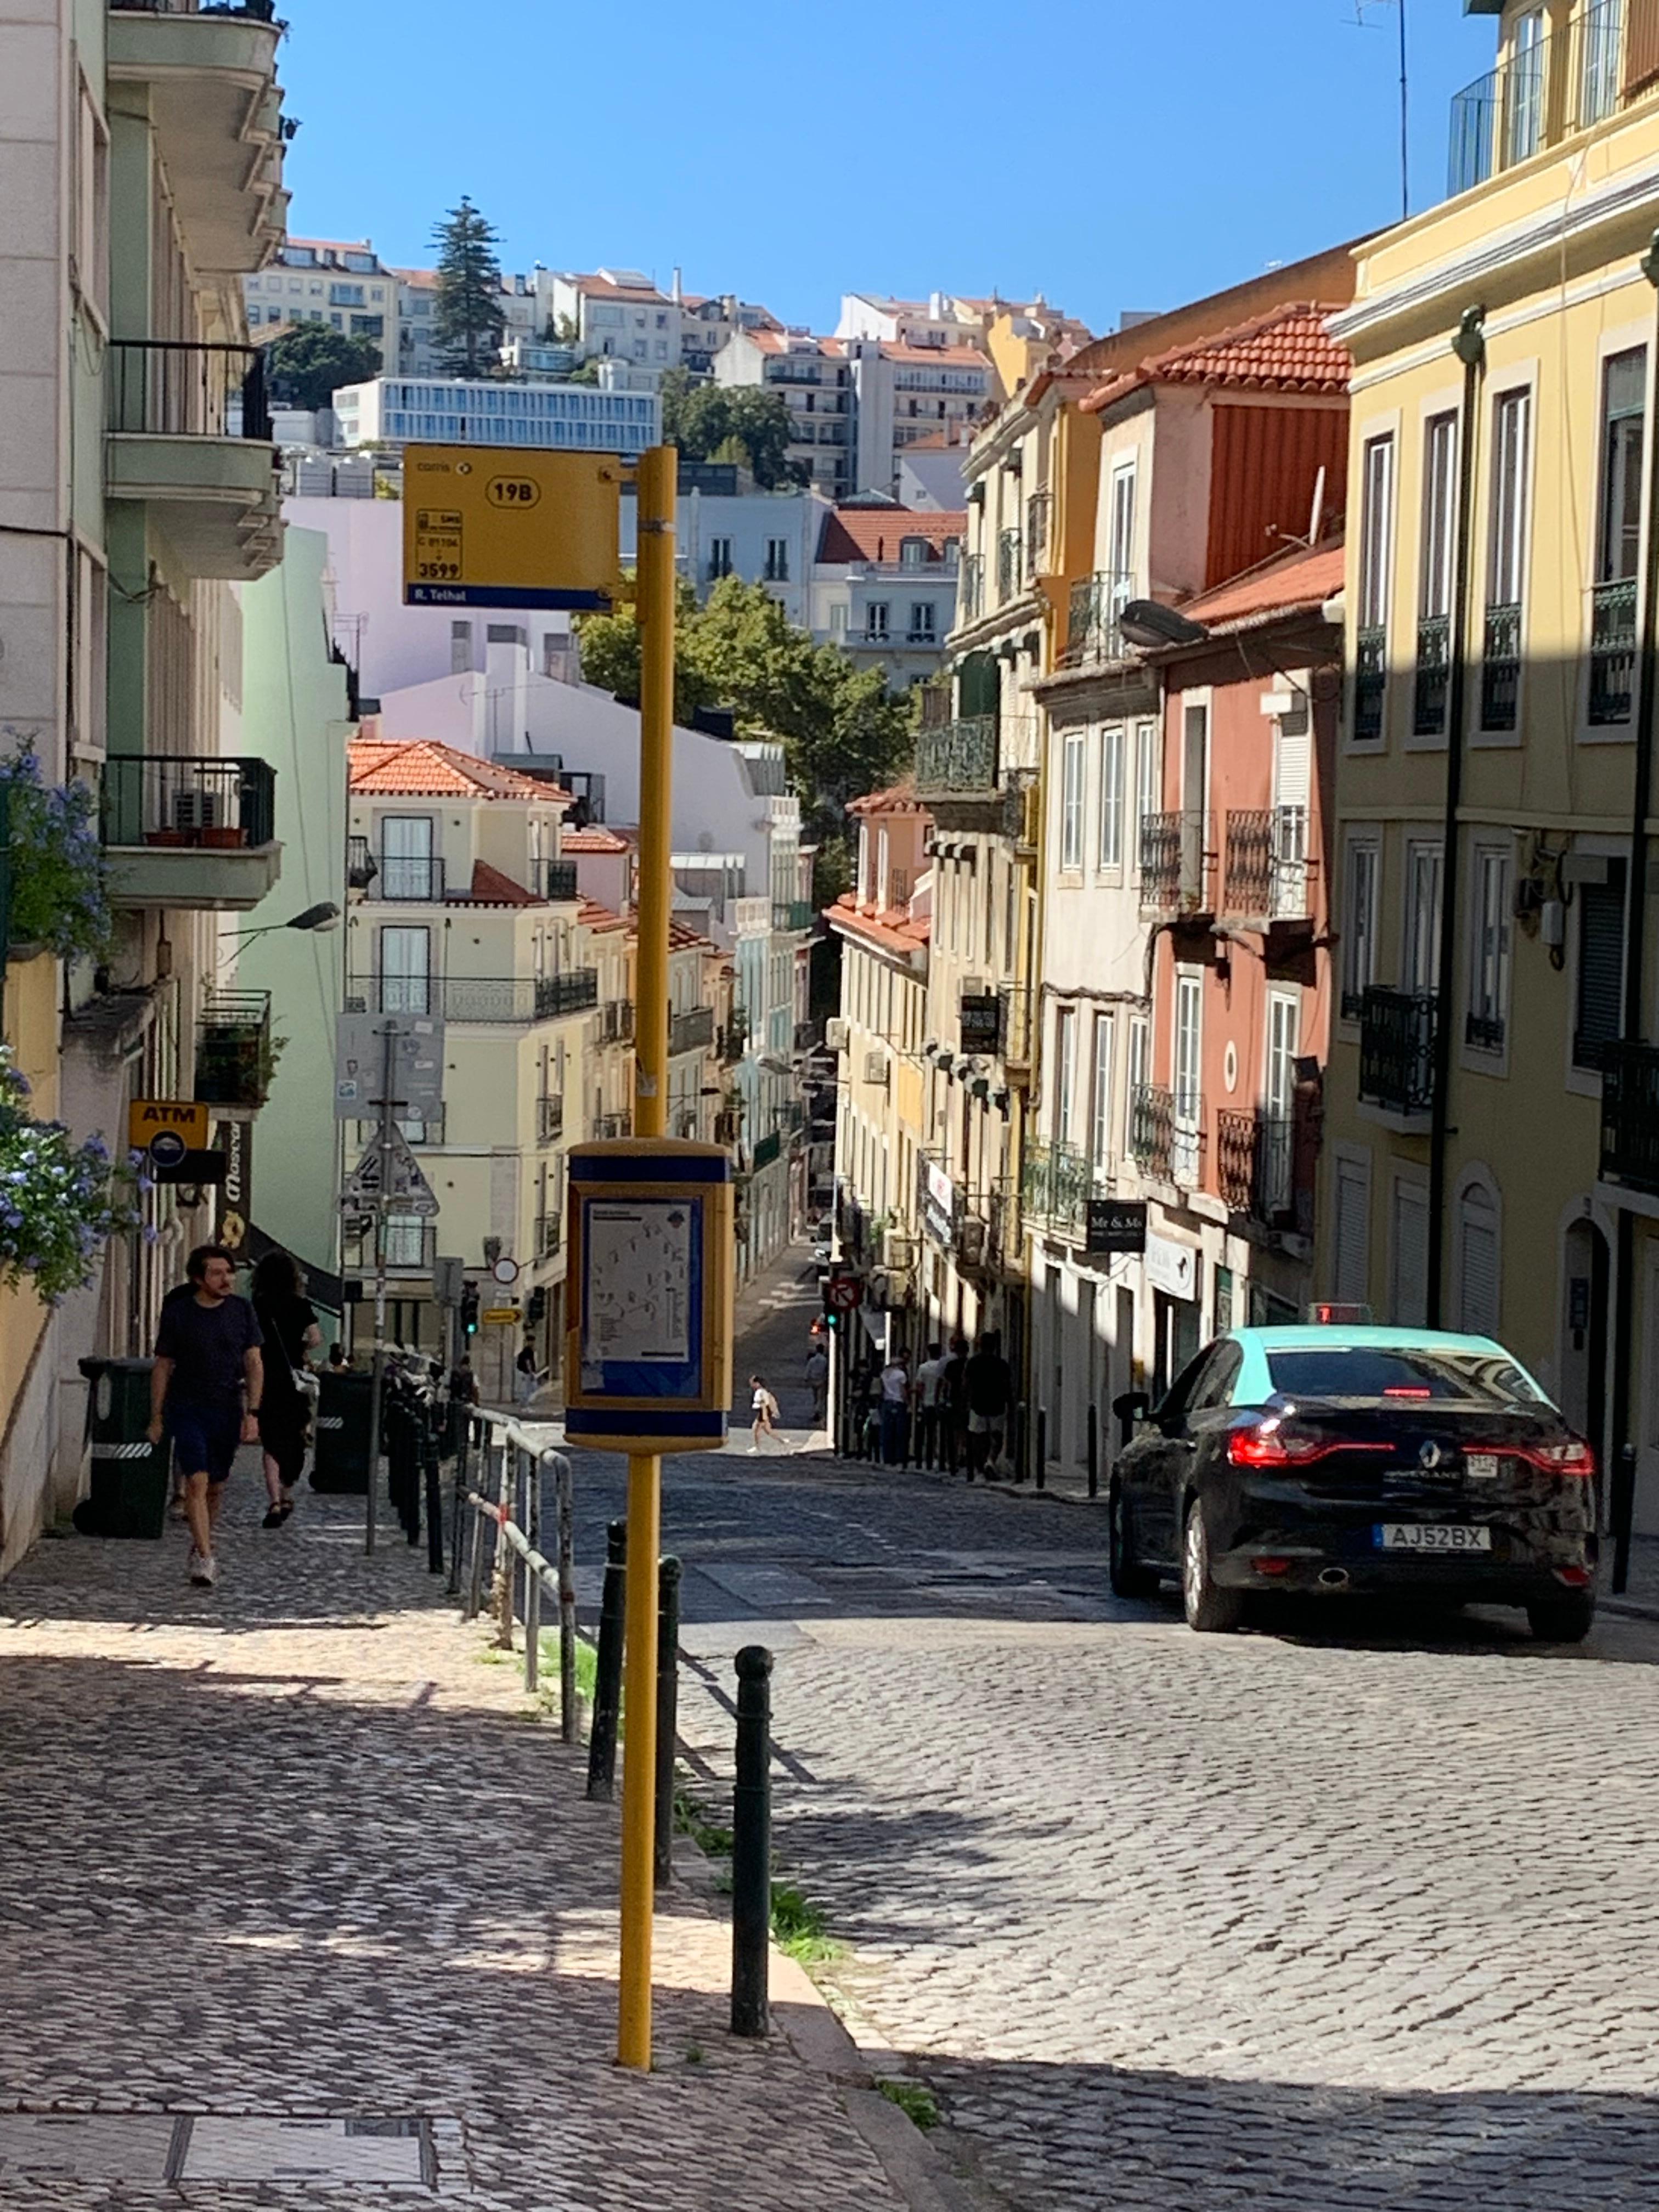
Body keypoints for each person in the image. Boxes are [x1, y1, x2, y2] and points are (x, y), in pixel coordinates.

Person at [147, 1244, 263, 1588]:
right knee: (196, 1481)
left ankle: (201, 1543)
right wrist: (156, 1414)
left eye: (229, 1272)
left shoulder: (242, 1312)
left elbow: (254, 1363)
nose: (226, 1279)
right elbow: (163, 1365)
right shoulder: (179, 1313)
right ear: (199, 1278)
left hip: (227, 1406)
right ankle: (205, 1556)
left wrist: (253, 1412)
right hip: (187, 1406)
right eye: (217, 1273)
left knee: (216, 1486)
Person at [249, 1249, 320, 1529]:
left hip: (265, 1378)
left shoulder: (257, 1305)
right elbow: (316, 1338)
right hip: (293, 1380)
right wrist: (299, 1348)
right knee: (293, 1437)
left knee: (271, 1441)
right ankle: (288, 1491)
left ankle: (274, 1501)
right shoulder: (301, 1306)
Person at [964, 1329, 1014, 1479]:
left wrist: (966, 1402)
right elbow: (1008, 1386)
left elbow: (965, 1384)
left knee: (978, 1436)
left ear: (980, 1346)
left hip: (977, 1404)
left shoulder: (973, 1362)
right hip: (997, 1404)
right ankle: (990, 1461)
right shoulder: (1002, 1364)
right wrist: (1010, 1403)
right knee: (997, 1436)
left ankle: (981, 1465)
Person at [913, 1342, 946, 1469]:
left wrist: (919, 1403)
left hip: (927, 1403)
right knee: (942, 1434)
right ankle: (942, 1463)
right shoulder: (943, 1367)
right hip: (941, 1403)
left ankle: (927, 1462)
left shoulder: (923, 1368)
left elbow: (920, 1387)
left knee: (928, 1434)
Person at [941, 1335, 970, 1474]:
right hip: (968, 1402)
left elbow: (946, 1384)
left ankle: (954, 1459)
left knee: (953, 1433)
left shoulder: (951, 1365)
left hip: (954, 1401)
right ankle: (963, 1453)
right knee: (966, 1431)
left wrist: (943, 1399)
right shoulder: (969, 1364)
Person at [878, 1351, 910, 1467]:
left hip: (887, 1402)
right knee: (899, 1432)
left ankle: (888, 1456)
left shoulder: (885, 1373)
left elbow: (882, 1389)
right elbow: (903, 1391)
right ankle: (899, 1456)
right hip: (898, 1403)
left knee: (887, 1431)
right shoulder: (901, 1375)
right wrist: (908, 1403)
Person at [749, 1374, 780, 1452]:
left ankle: (758, 1447)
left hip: (763, 1412)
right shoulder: (762, 1391)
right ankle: (782, 1441)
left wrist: (764, 1416)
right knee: (768, 1431)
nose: (751, 1385)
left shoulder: (760, 1392)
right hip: (764, 1412)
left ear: (757, 1384)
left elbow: (764, 1403)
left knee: (756, 1430)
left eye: (752, 1383)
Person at [805, 1344, 829, 1427]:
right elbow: (827, 1370)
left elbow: (808, 1369)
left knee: (815, 1397)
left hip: (813, 1380)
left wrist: (807, 1378)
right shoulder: (825, 1360)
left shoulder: (812, 1360)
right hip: (821, 1380)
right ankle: (818, 1411)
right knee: (820, 1397)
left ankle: (816, 1411)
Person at [515, 1339, 539, 1407]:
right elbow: (528, 1362)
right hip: (527, 1372)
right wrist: (531, 1372)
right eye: (532, 1341)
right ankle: (525, 1402)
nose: (533, 1343)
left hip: (524, 1371)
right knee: (531, 1387)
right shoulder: (528, 1351)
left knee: (528, 1387)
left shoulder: (526, 1350)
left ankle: (524, 1401)